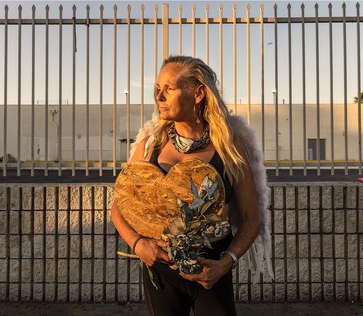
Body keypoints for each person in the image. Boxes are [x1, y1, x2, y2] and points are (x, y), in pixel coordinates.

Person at [111, 55, 272, 315]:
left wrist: (225, 263)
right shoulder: (149, 146)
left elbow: (251, 217)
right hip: (160, 271)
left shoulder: (230, 148)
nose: (159, 97)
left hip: (213, 268)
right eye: (157, 89)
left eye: (169, 89)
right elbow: (119, 207)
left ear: (198, 93)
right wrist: (139, 244)